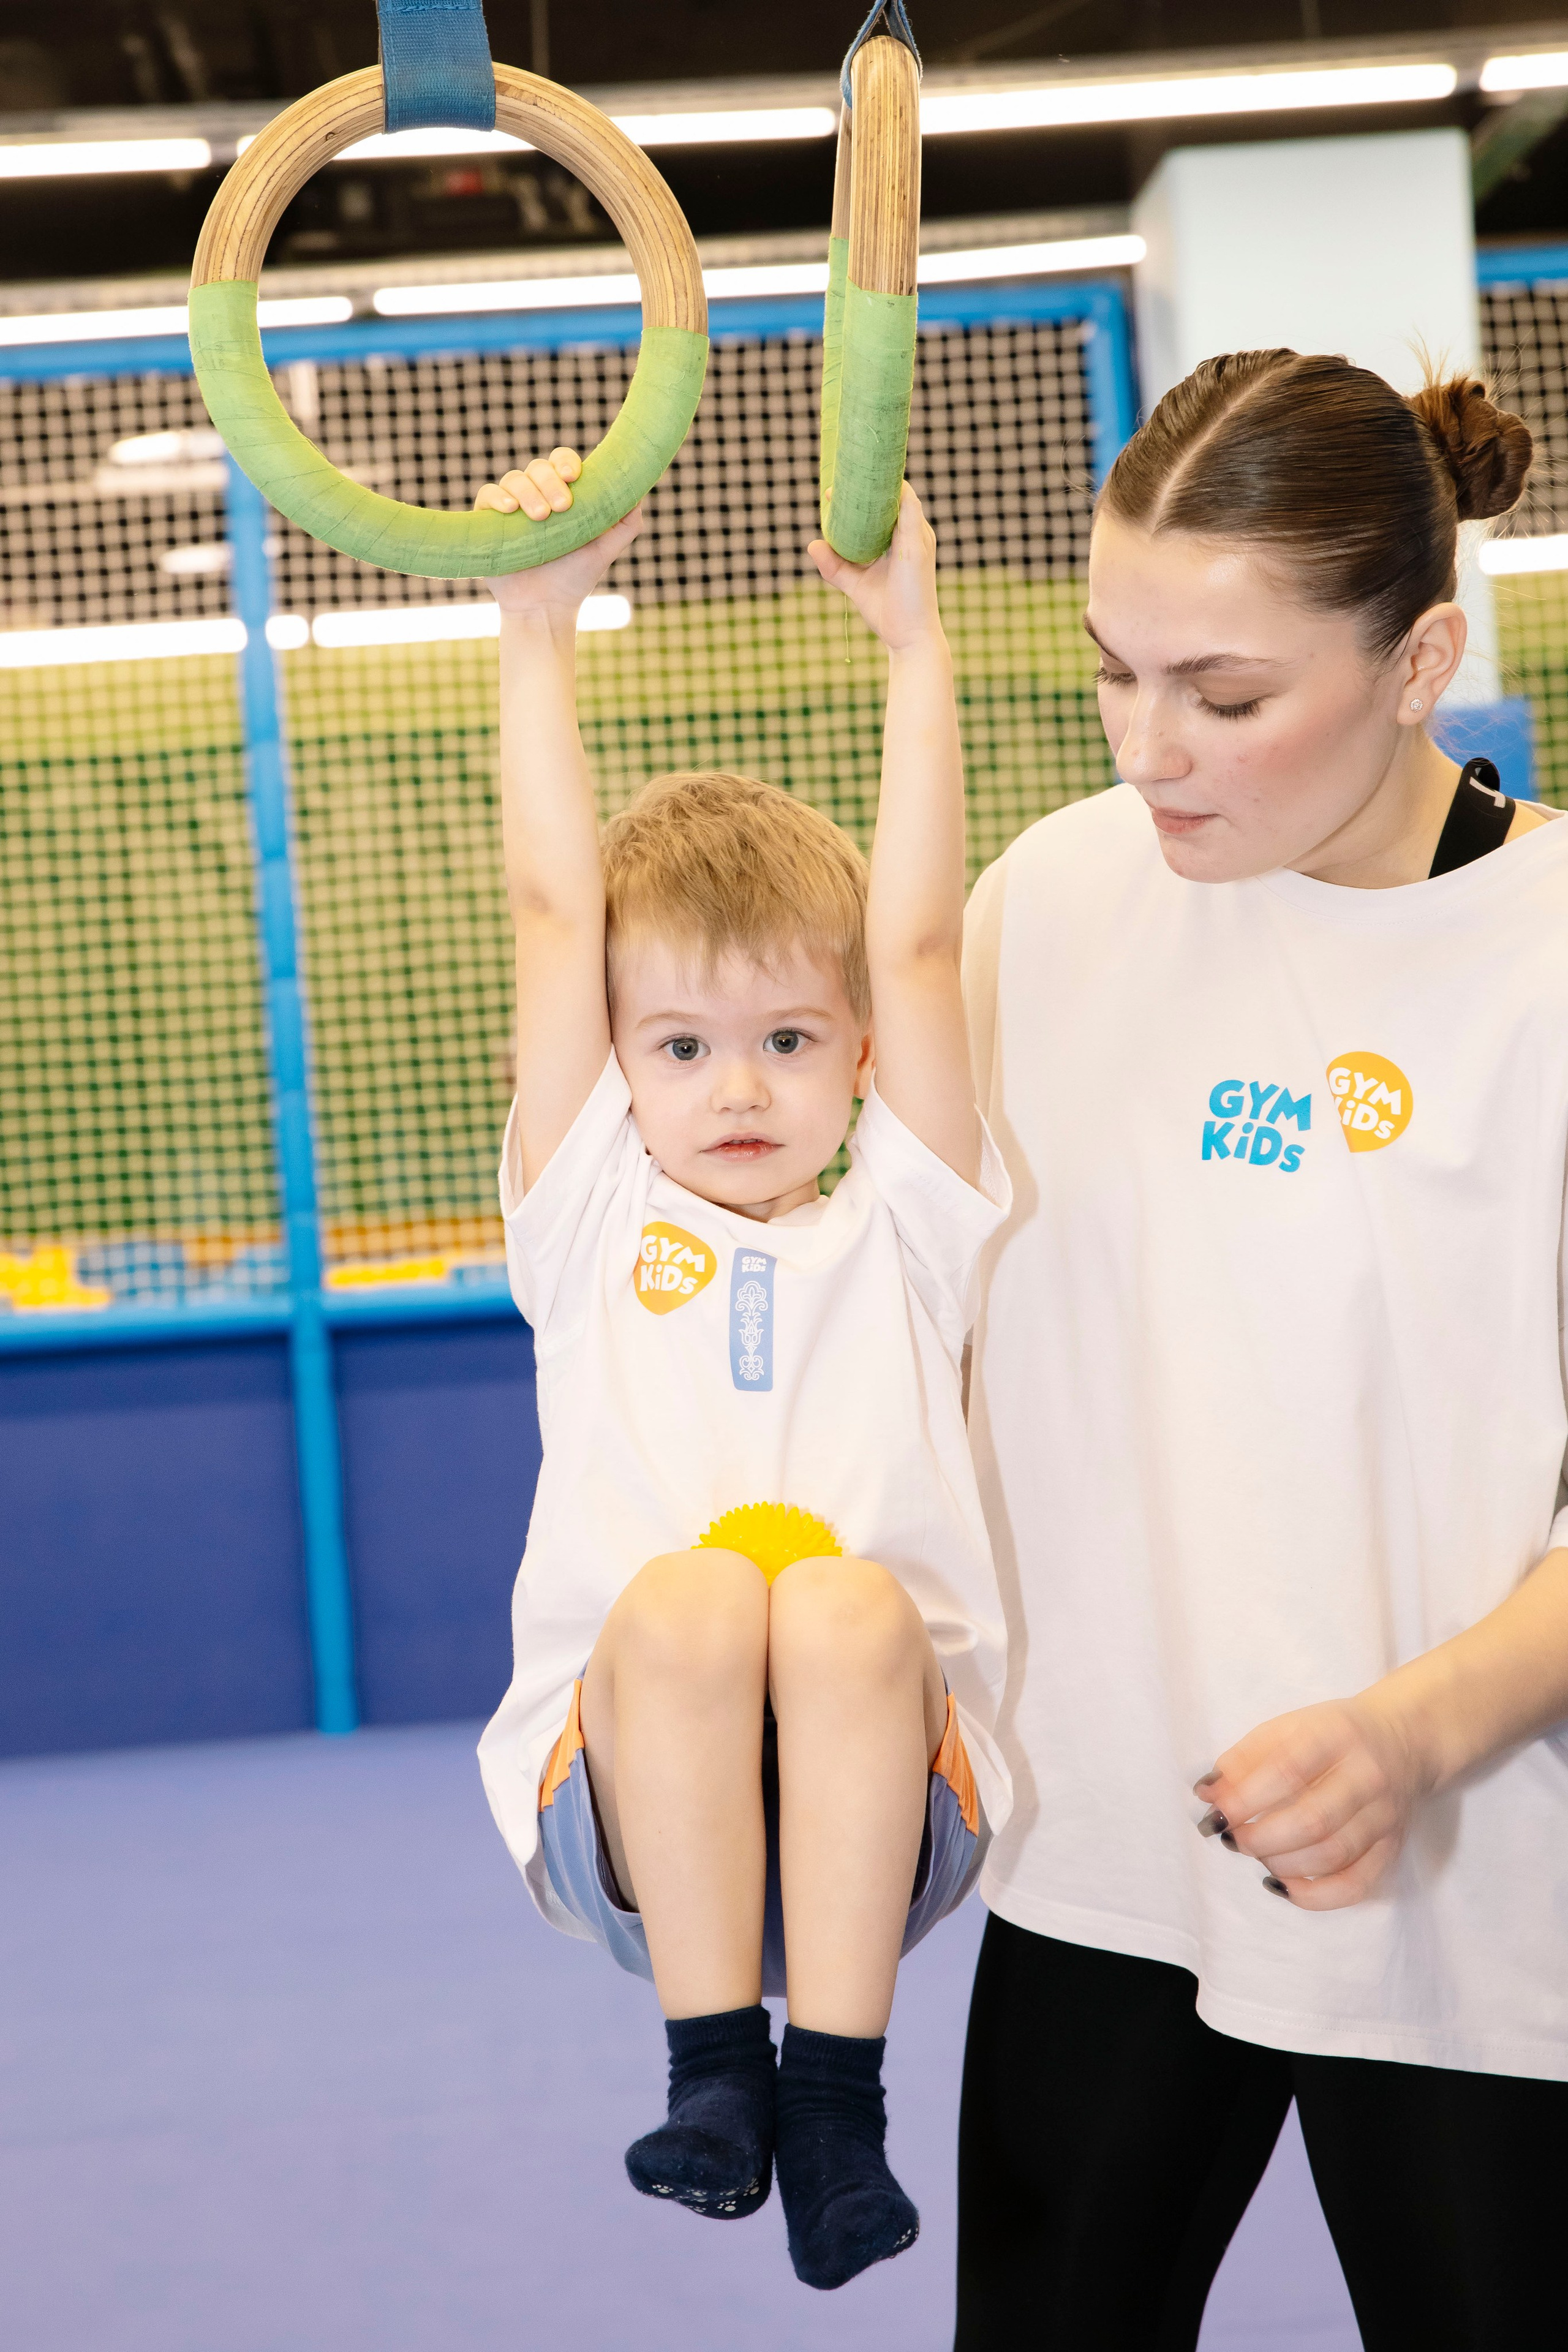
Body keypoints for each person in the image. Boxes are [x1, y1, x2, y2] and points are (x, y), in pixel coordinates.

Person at [956, 352, 1568, 2351]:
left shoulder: (1551, 963)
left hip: (1467, 1885)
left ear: (1421, 663)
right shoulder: (1052, 903)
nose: (1151, 749)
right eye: (1114, 674)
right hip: (1107, 1855)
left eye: (1224, 697)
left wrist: (1410, 1738)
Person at [469, 453, 1011, 2291]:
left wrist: (916, 648)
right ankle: (713, 2075)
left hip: (893, 1810)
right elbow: (557, 916)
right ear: (620, 1064)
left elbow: (918, 937)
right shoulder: (588, 1212)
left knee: (845, 1606)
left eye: (789, 1037)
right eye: (684, 1047)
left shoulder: (911, 1219)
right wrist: (537, 626)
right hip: (626, 1807)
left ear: (859, 1051)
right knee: (698, 1599)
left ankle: (835, 2109)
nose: (741, 1088)